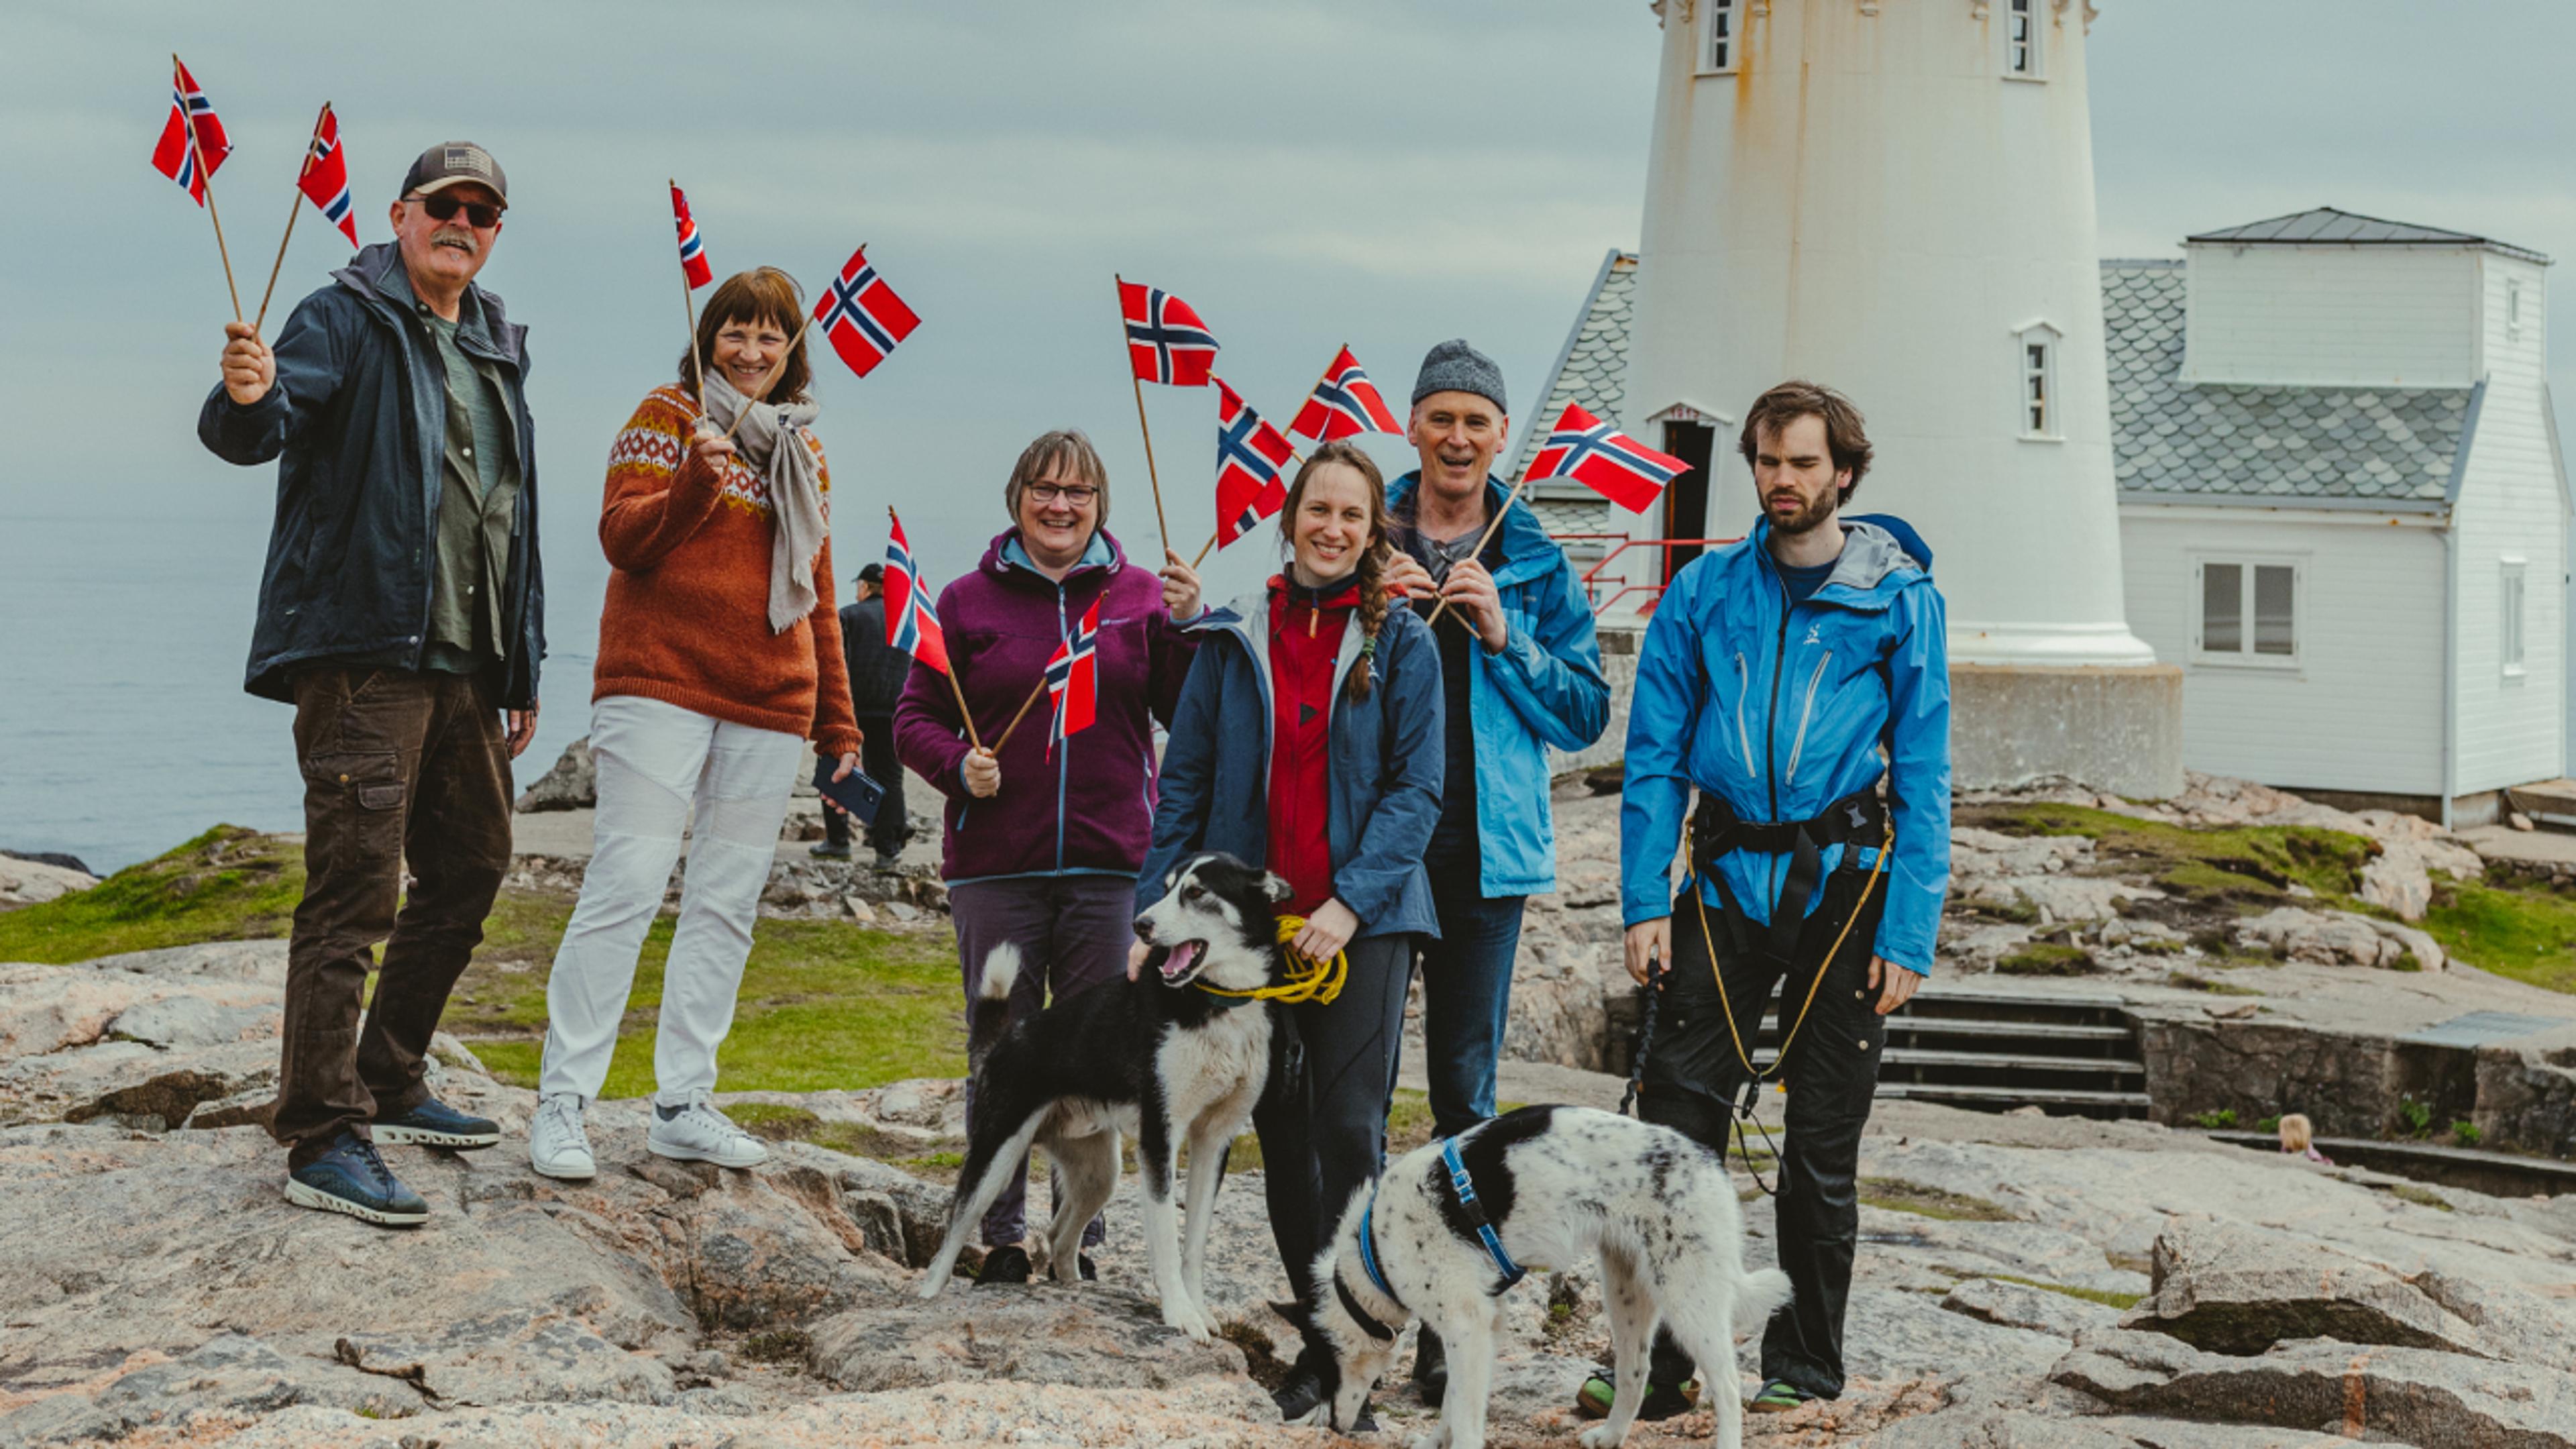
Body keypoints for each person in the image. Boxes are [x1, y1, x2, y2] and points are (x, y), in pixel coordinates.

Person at [199, 141, 543, 1227]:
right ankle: (319, 1129)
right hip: (364, 660)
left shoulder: (495, 343)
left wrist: (517, 659)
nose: (464, 220)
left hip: (465, 670)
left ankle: (389, 1080)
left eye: (483, 210)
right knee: (351, 895)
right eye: (445, 203)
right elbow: (262, 425)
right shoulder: (339, 316)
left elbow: (505, 515)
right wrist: (244, 397)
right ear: (400, 215)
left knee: (475, 870)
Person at [1613, 381, 1950, 1418]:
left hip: (1846, 895)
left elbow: (1927, 772)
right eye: (1766, 461)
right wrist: (1642, 899)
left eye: (1803, 462)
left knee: (1820, 1150)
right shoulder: (1705, 592)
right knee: (1674, 1136)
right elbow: (1654, 753)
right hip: (1720, 886)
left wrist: (1911, 928)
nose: (1782, 480)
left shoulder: (1899, 599)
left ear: (1843, 471)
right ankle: (1660, 1373)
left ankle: (1802, 1369)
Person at [523, 267, 863, 1182]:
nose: (752, 352)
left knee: (725, 901)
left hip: (770, 695)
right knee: (628, 879)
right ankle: (564, 1102)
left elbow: (821, 599)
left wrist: (841, 730)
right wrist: (692, 488)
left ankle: (683, 1101)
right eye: (736, 333)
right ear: (707, 336)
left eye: (771, 337)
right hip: (659, 682)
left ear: (793, 352)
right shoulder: (666, 417)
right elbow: (623, 539)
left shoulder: (805, 451)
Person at [1138, 441, 1446, 1426]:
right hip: (1253, 939)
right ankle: (1318, 1347)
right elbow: (1182, 785)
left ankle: (1361, 1348)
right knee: (1276, 1130)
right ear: (1292, 516)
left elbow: (1418, 789)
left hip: (1364, 925)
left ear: (1372, 532)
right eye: (1320, 509)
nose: (1334, 528)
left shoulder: (1403, 642)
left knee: (1348, 1131)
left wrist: (1348, 903)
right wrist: (1154, 917)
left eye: (1354, 516)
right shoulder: (1232, 642)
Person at [894, 429, 1204, 1283]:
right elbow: (913, 719)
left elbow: (1185, 711)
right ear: (1016, 497)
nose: (1060, 505)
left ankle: (1078, 1233)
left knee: (1105, 1048)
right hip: (998, 865)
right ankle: (1000, 1232)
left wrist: (1185, 628)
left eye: (1077, 492)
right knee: (1003, 1050)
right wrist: (958, 766)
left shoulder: (1141, 597)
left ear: (1101, 504)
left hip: (1113, 868)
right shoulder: (963, 601)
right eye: (1043, 489)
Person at [1379, 339, 1610, 1399]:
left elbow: (1585, 710)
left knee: (1463, 1097)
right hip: (1374, 853)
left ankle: (1447, 1331)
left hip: (1485, 857)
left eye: (1478, 421)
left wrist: (1504, 631)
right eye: (1442, 418)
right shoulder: (1362, 527)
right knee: (1354, 1094)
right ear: (1411, 425)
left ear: (1499, 434)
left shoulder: (1535, 555)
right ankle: (1349, 1315)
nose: (1459, 438)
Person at [818, 563, 912, 867]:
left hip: (852, 708)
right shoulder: (906, 621)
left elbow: (834, 663)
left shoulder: (848, 615)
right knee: (889, 777)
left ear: (866, 587)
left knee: (837, 767)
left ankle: (838, 841)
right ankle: (887, 849)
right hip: (893, 708)